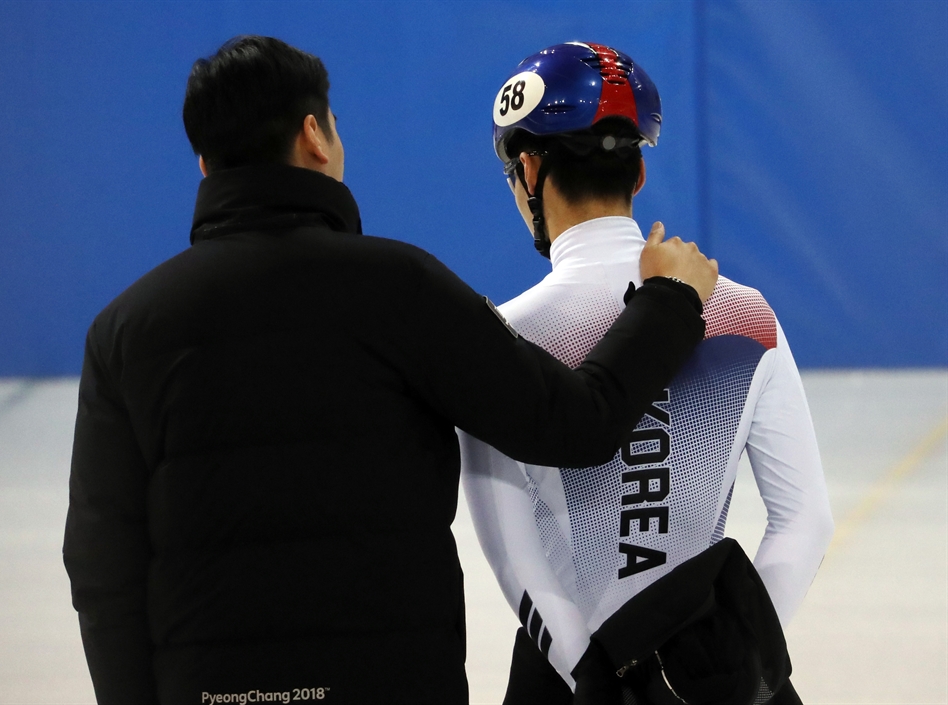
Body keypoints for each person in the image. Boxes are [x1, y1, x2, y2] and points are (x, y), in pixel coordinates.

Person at [62, 36, 719, 705]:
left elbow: (100, 570)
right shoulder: (403, 289)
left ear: (206, 165)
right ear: (315, 136)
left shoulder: (123, 333)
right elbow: (576, 425)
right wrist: (670, 300)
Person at [458, 42, 834, 703]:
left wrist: (598, 680)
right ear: (636, 175)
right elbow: (806, 520)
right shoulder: (746, 314)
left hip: (575, 679)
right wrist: (732, 663)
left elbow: (516, 559)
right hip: (717, 679)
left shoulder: (499, 339)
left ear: (528, 168)